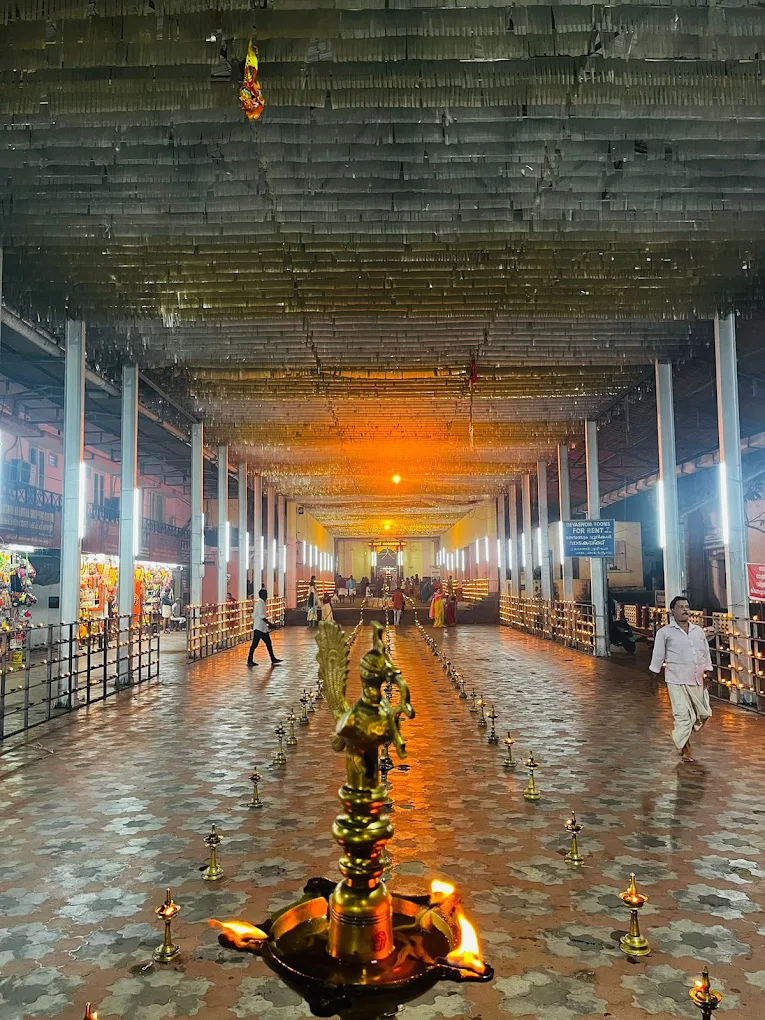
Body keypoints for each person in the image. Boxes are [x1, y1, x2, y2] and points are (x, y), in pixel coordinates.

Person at [649, 596, 712, 763]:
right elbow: (658, 656)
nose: (685, 610)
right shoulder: (665, 632)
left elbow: (705, 653)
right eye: (681, 607)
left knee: (703, 713)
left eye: (687, 606)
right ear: (673, 611)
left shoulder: (698, 631)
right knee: (683, 715)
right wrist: (654, 677)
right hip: (676, 679)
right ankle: (685, 747)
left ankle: (684, 737)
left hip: (697, 678)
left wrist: (708, 672)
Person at [247, 587, 283, 666]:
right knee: (255, 644)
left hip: (262, 628)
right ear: (262, 595)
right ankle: (249, 660)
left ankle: (273, 658)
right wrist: (270, 624)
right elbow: (261, 615)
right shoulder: (260, 603)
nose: (266, 596)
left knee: (268, 643)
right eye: (265, 594)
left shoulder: (262, 603)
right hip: (259, 627)